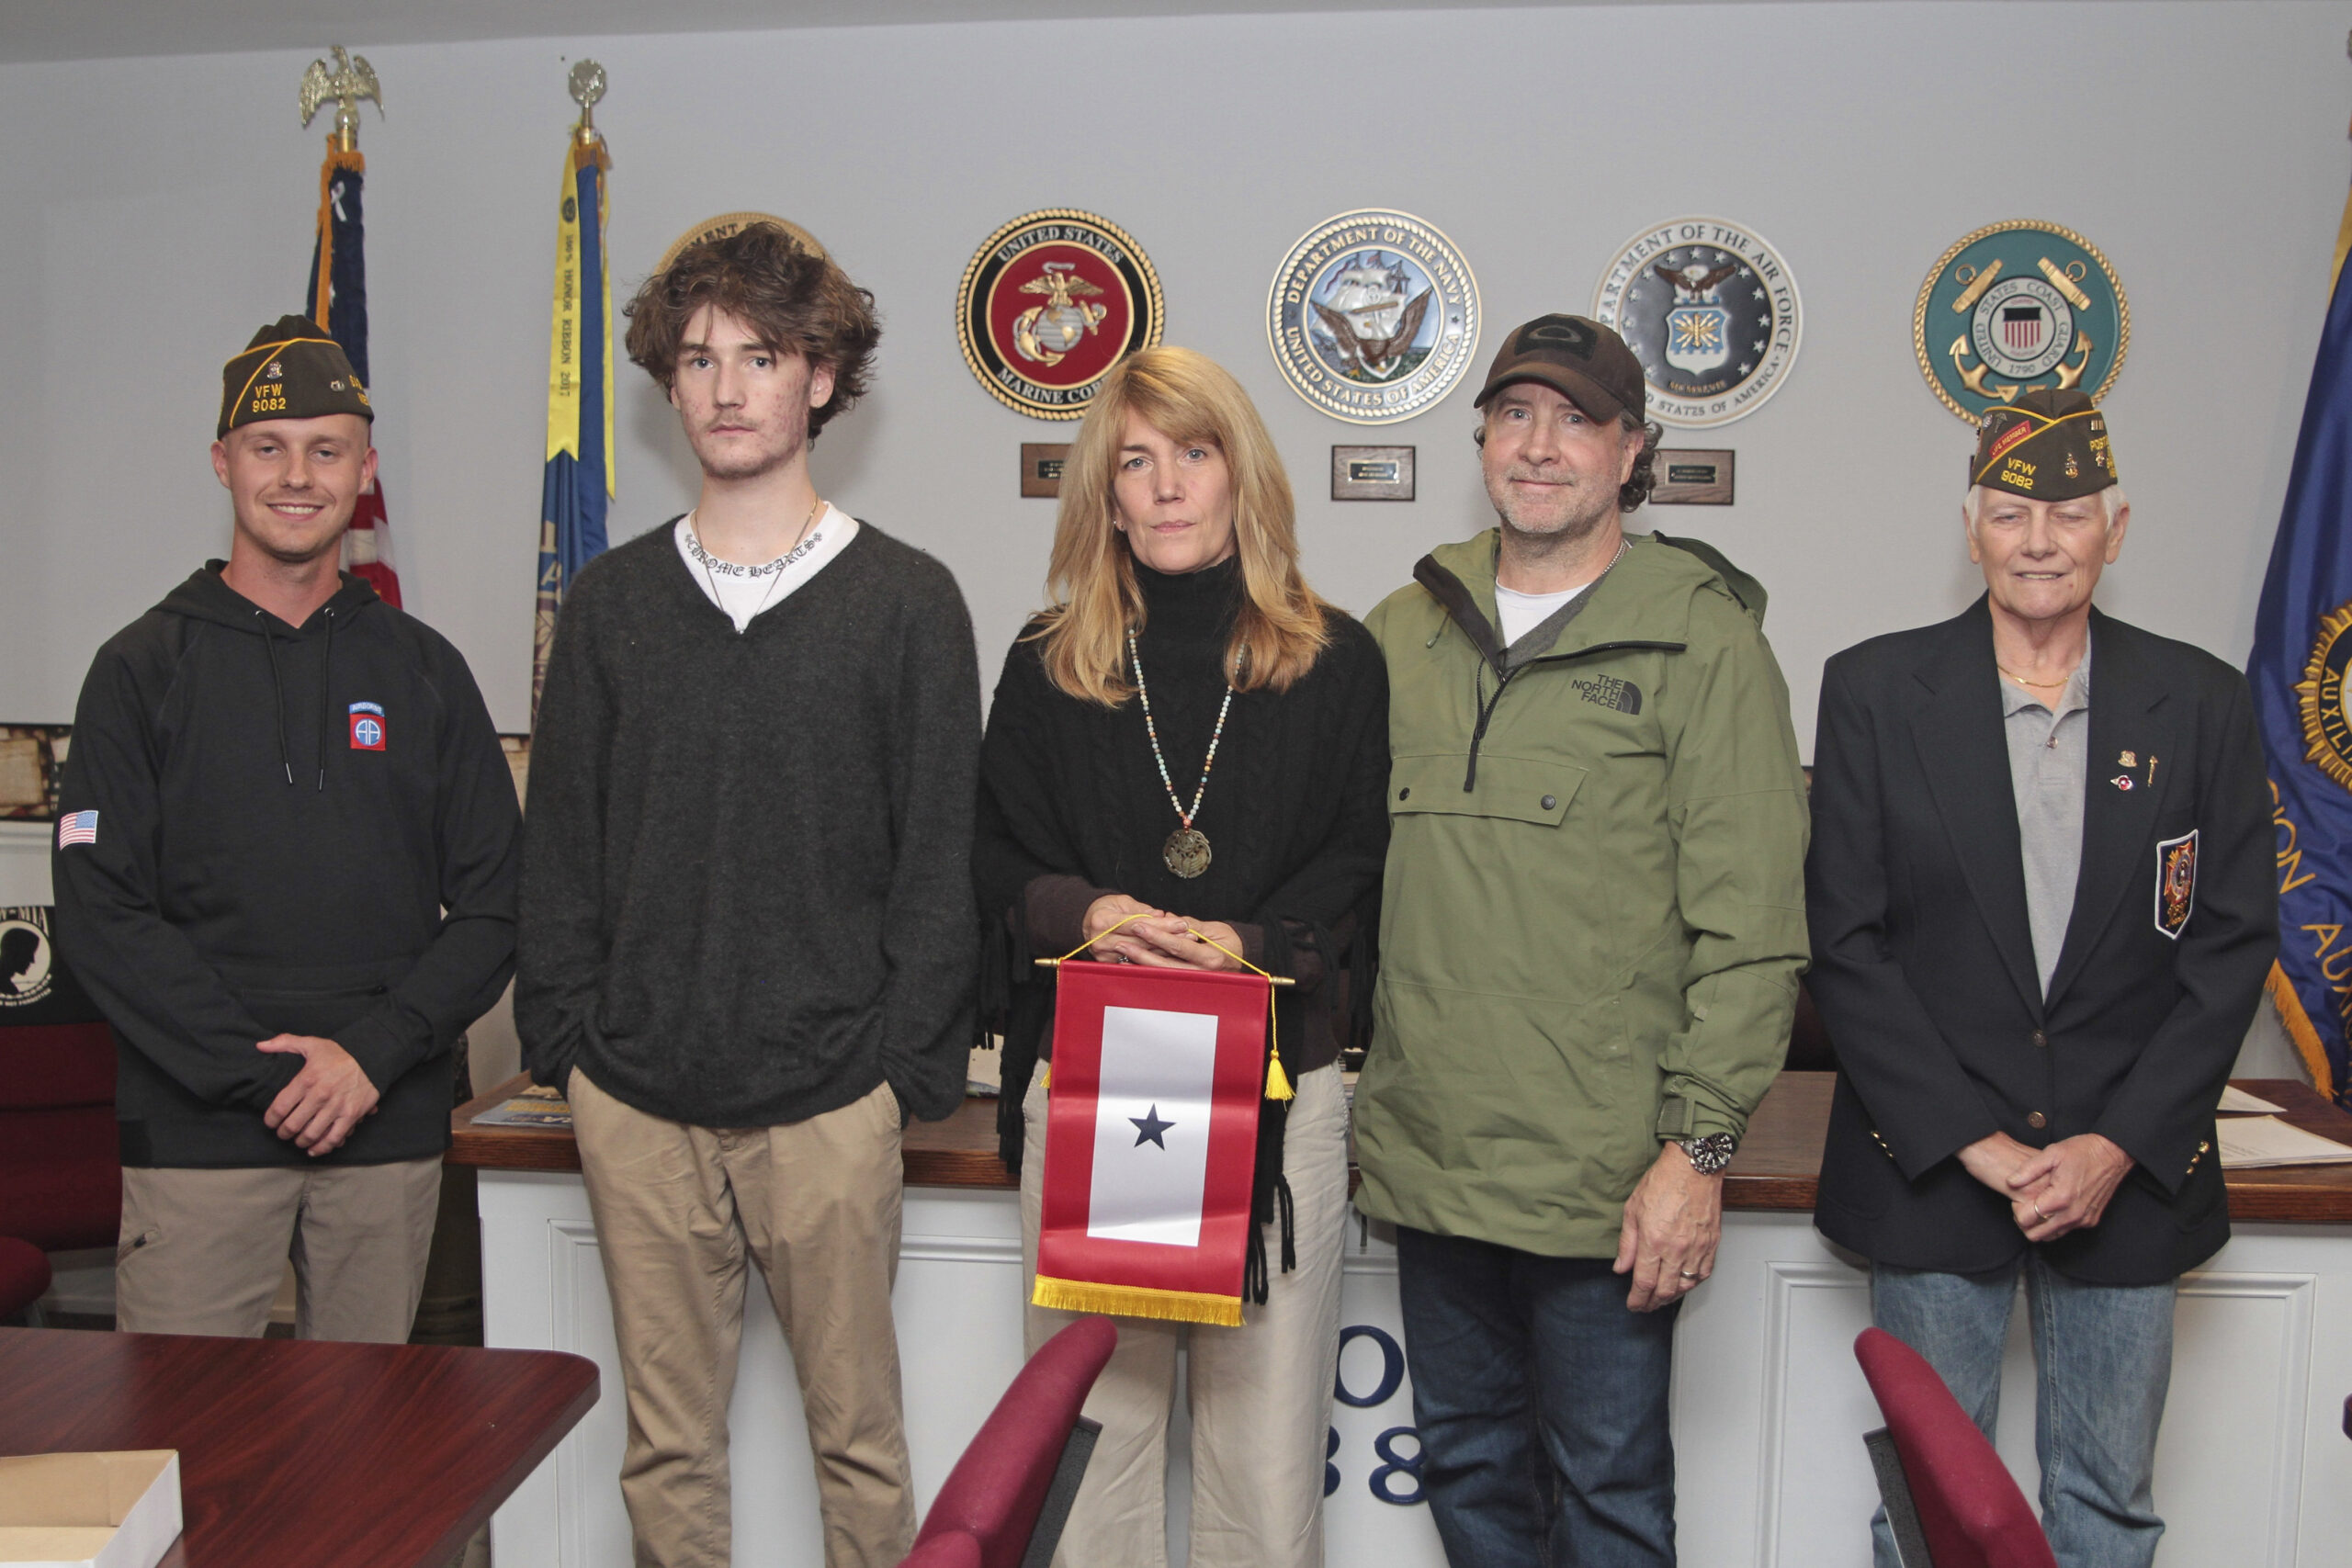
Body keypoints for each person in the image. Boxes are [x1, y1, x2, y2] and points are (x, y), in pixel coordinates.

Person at [516, 221, 979, 1568]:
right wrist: (570, 1045)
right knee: (667, 1446)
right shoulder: (609, 606)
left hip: (834, 1097)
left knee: (861, 1442)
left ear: (821, 378)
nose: (726, 387)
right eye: (700, 358)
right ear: (670, 384)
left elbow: (937, 857)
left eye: (761, 356)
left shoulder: (907, 602)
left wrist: (897, 1067)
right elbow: (564, 847)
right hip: (638, 1098)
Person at [1351, 313, 1809, 1566]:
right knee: (1467, 1471)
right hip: (1433, 1165)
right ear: (1483, 438)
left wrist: (1697, 1151)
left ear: (1630, 450)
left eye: (1575, 419)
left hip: (1609, 1185)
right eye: (1513, 415)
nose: (1538, 445)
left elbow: (1757, 933)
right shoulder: (1404, 631)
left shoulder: (1702, 639)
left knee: (1608, 1495)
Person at [1805, 389, 2276, 1568]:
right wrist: (1981, 1144)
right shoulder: (1872, 690)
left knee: (2107, 1503)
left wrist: (2114, 1144)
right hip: (1933, 1164)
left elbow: (2227, 946)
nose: (2037, 540)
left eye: (2067, 514)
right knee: (1928, 1508)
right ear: (1970, 530)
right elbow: (1847, 946)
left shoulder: (2205, 702)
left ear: (2115, 530)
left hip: (2130, 1168)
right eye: (2010, 513)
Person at [975, 345, 1388, 1568]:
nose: (1163, 487)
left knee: (1261, 1476)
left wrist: (1246, 943)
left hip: (1273, 1090)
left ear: (1241, 475)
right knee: (1097, 1438)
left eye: (1192, 455)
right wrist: (1088, 908)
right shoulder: (1050, 659)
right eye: (1135, 462)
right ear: (1103, 491)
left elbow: (1362, 857)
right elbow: (988, 854)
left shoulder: (1336, 659)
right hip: (1097, 1083)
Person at [51, 315, 519, 1341]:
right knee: (182, 1447)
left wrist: (365, 1058)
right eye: (269, 448)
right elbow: (99, 915)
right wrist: (266, 1078)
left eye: (326, 448)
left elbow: (496, 905)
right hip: (197, 1137)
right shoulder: (139, 669)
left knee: (367, 1459)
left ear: (365, 468)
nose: (297, 475)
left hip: (385, 1125)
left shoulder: (426, 671)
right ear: (223, 463)